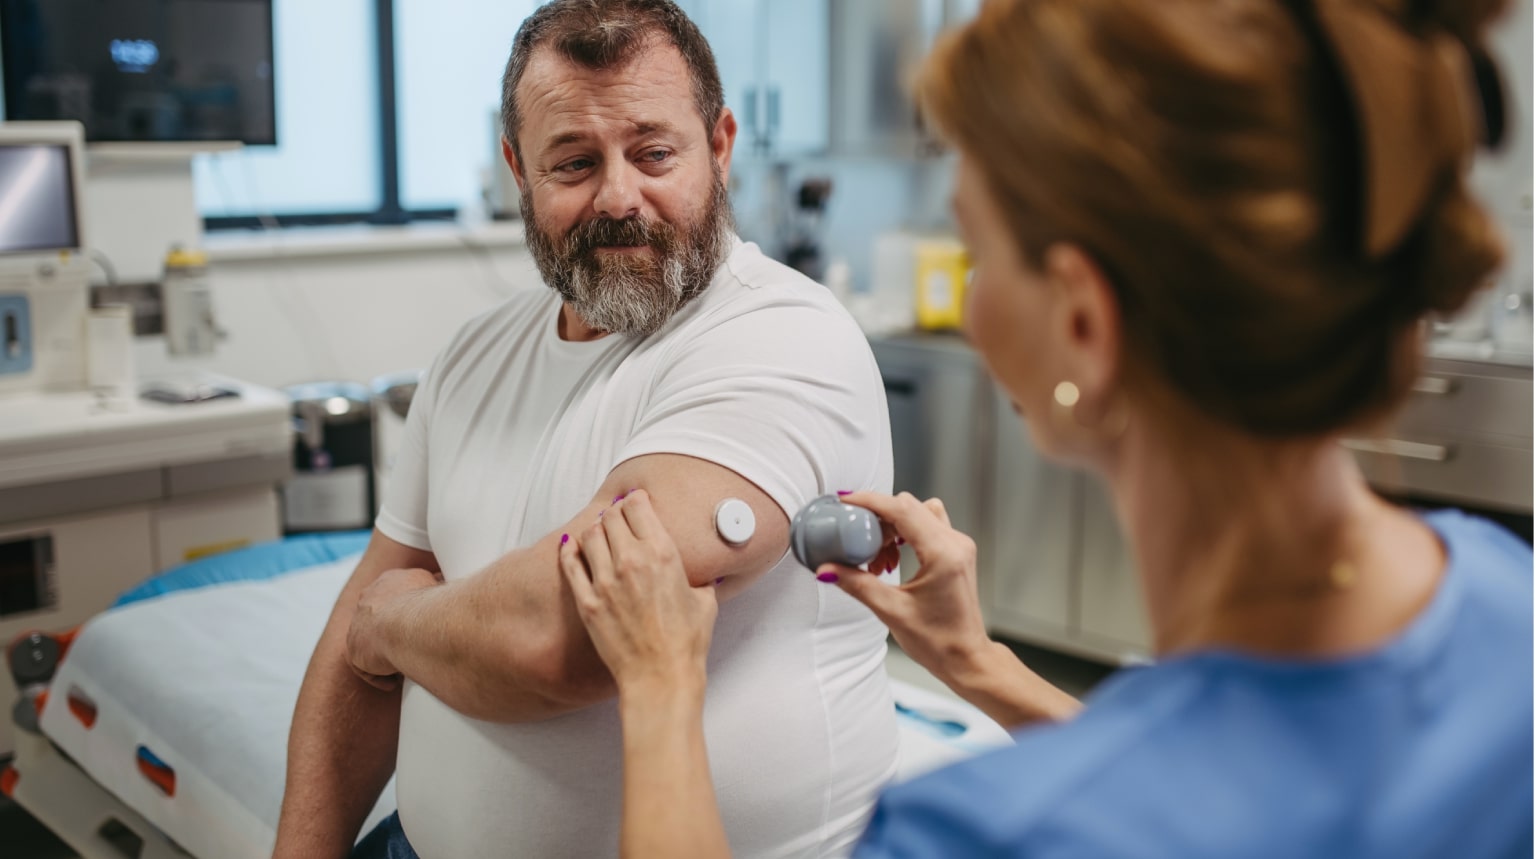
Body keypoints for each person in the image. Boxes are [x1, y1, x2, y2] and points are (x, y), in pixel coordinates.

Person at [556, 0, 1535, 856]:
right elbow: (1219, 785)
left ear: (1082, 325)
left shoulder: (984, 834)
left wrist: (658, 688)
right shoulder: (1505, 601)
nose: (972, 300)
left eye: (977, 249)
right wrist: (981, 666)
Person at [271, 2, 900, 857]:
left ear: (719, 146)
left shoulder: (785, 336)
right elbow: (356, 637)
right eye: (572, 162)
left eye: (653, 153)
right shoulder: (472, 356)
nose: (617, 196)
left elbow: (565, 642)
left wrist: (390, 627)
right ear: (517, 171)